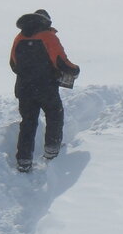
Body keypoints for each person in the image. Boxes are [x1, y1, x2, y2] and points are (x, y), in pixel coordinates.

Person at [9, 9, 80, 172]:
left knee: (28, 122)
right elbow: (61, 61)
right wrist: (74, 70)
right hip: (45, 86)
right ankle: (52, 151)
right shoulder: (48, 36)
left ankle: (24, 160)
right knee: (55, 115)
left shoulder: (19, 37)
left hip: (24, 88)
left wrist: (28, 73)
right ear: (45, 21)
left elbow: (13, 64)